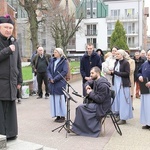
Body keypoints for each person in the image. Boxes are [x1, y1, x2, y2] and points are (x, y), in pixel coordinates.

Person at [71, 67, 111, 137]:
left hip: (102, 107)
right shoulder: (96, 80)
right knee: (81, 107)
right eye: (90, 73)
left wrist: (90, 93)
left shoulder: (103, 84)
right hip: (97, 104)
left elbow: (100, 100)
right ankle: (80, 129)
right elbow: (88, 82)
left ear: (98, 73)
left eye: (92, 73)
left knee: (80, 108)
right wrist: (87, 86)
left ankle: (80, 130)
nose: (91, 75)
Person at [0, 15, 22, 140]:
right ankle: (2, 134)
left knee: (11, 110)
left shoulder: (15, 42)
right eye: (5, 27)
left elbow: (18, 62)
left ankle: (11, 133)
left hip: (11, 82)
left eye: (10, 28)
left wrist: (19, 80)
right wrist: (7, 50)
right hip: (0, 82)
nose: (8, 30)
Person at [111, 49, 133, 125]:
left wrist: (116, 72)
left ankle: (123, 118)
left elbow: (127, 73)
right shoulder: (116, 62)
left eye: (118, 54)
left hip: (123, 84)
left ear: (122, 55)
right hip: (116, 84)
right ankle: (119, 114)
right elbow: (115, 72)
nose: (116, 55)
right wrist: (112, 73)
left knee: (123, 102)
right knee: (118, 100)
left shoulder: (126, 63)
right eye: (116, 54)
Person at [47, 48, 68, 123]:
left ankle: (62, 115)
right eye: (54, 52)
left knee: (60, 99)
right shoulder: (52, 60)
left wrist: (55, 79)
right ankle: (57, 115)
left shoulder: (64, 61)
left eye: (56, 52)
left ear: (60, 53)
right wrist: (50, 77)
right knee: (54, 99)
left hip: (59, 83)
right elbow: (48, 69)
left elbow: (64, 71)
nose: (54, 53)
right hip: (52, 83)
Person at [137, 50, 150, 130]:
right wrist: (140, 76)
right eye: (148, 55)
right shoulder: (144, 64)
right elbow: (138, 72)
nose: (149, 56)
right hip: (144, 89)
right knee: (145, 107)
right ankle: (147, 123)